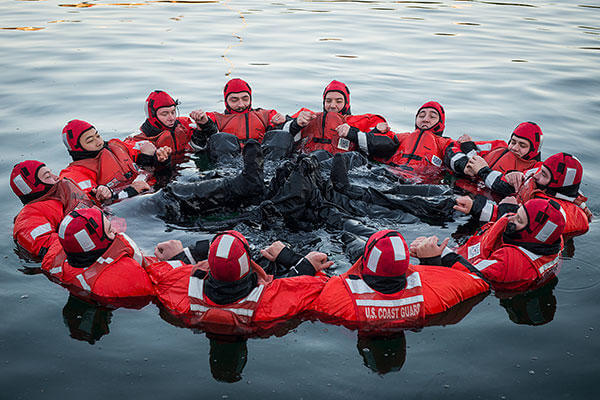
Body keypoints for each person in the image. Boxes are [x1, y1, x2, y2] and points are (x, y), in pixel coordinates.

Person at [145, 230, 332, 334]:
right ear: (248, 263)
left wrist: (184, 255)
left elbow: (156, 271)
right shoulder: (272, 304)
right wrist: (291, 259)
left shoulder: (176, 289)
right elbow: (322, 285)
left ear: (209, 266)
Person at [308, 230, 489, 330]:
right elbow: (480, 281)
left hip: (350, 315)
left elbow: (293, 292)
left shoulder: (334, 297)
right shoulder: (434, 296)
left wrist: (306, 265)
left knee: (345, 232)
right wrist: (435, 260)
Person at [41, 207, 202, 298]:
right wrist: (179, 258)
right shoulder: (124, 277)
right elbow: (166, 289)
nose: (117, 234)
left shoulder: (54, 255)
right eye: (110, 230)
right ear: (99, 243)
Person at [410, 198, 565, 293]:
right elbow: (509, 217)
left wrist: (435, 255)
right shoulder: (551, 240)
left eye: (519, 220)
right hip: (471, 248)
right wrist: (476, 207)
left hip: (472, 275)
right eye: (517, 213)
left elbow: (473, 277)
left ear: (532, 234)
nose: (511, 219)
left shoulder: (511, 264)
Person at [454, 152, 591, 236]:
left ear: (557, 185)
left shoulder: (561, 213)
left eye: (543, 174)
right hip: (504, 212)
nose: (536, 176)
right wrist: (510, 174)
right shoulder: (542, 183)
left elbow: (522, 225)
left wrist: (475, 207)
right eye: (540, 170)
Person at [340, 101, 453, 183]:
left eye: (432, 116)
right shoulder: (402, 137)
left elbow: (459, 159)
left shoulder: (445, 144)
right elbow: (375, 143)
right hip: (389, 176)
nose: (425, 119)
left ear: (441, 124)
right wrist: (353, 133)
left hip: (420, 183)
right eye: (421, 115)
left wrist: (467, 146)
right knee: (352, 158)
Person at [59, 119, 170, 202]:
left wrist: (160, 157)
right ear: (77, 148)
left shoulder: (117, 146)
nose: (98, 142)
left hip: (155, 191)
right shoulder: (74, 175)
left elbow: (145, 158)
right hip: (128, 207)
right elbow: (90, 203)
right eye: (90, 141)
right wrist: (130, 191)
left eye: (97, 136)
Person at [11, 160, 95, 258]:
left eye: (51, 172)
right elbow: (46, 246)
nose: (56, 177)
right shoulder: (29, 218)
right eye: (47, 176)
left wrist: (98, 194)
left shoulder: (63, 195)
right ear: (35, 187)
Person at [288, 80, 389, 155]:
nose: (332, 105)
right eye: (328, 101)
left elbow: (387, 145)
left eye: (338, 101)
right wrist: (295, 125)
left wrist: (352, 133)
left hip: (342, 167)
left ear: (346, 103)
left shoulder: (362, 122)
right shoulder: (308, 118)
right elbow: (279, 133)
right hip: (306, 162)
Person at [445, 121, 543, 196]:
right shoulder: (497, 146)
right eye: (513, 142)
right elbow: (452, 148)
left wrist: (482, 170)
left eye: (522, 145)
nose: (514, 148)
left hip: (484, 205)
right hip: (456, 189)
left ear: (533, 150)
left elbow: (509, 187)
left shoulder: (537, 169)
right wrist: (464, 165)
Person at [191, 78, 288, 147]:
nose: (241, 104)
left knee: (281, 134)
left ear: (251, 98)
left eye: (245, 99)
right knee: (221, 138)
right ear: (226, 101)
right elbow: (199, 145)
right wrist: (203, 124)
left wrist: (284, 122)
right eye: (234, 100)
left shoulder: (266, 116)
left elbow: (281, 137)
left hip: (263, 159)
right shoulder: (214, 119)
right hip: (228, 165)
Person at [130, 90, 202, 154]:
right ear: (153, 116)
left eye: (173, 112)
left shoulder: (184, 124)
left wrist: (205, 124)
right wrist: (149, 157)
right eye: (164, 114)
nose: (171, 118)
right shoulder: (139, 140)